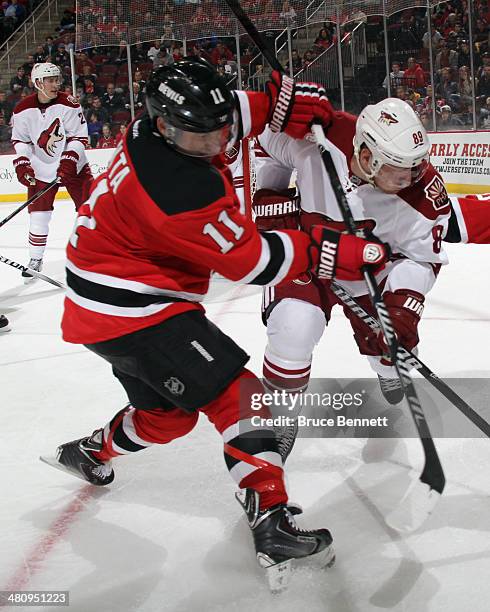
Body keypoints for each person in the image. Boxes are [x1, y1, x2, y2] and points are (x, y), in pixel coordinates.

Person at [40, 58, 387, 590]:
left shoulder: (158, 128)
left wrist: (279, 104)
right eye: (197, 138)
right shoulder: (178, 189)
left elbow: (226, 115)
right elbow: (251, 262)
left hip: (95, 312)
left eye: (218, 132)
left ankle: (88, 451)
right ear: (162, 125)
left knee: (167, 418)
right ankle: (271, 520)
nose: (213, 145)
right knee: (245, 399)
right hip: (139, 310)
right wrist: (327, 249)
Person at [251, 98, 451, 458]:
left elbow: (422, 257)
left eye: (415, 167)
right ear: (368, 155)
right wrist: (272, 194)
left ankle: (386, 368)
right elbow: (266, 140)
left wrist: (403, 310)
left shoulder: (422, 194)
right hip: (309, 258)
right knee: (293, 328)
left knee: (397, 353)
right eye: (399, 170)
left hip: (370, 271)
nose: (410, 178)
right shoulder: (318, 144)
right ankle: (281, 412)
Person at [11, 63, 94, 281]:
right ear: (38, 83)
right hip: (41, 168)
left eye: (57, 79)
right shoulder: (21, 109)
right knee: (38, 215)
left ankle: (93, 253)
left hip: (74, 165)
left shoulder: (69, 103)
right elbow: (21, 140)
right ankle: (36, 258)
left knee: (90, 208)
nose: (56, 84)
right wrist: (22, 162)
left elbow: (79, 137)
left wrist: (68, 160)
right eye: (51, 80)